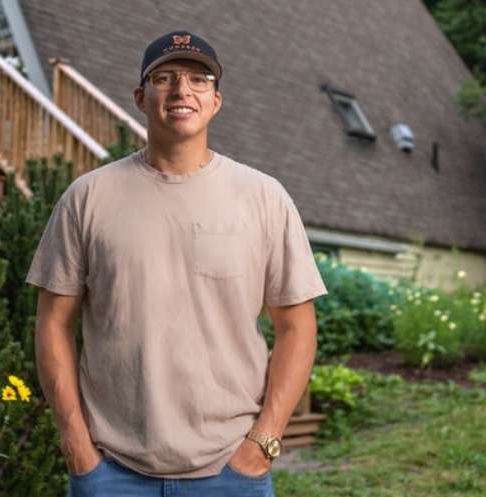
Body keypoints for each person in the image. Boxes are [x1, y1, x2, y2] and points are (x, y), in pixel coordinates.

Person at [26, 30, 327, 497]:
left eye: (198, 80)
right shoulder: (87, 197)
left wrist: (261, 445)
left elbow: (298, 327)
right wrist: (77, 445)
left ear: (216, 101)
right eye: (165, 78)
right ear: (141, 98)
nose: (181, 91)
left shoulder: (263, 197)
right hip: (110, 471)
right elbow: (53, 323)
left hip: (231, 471)